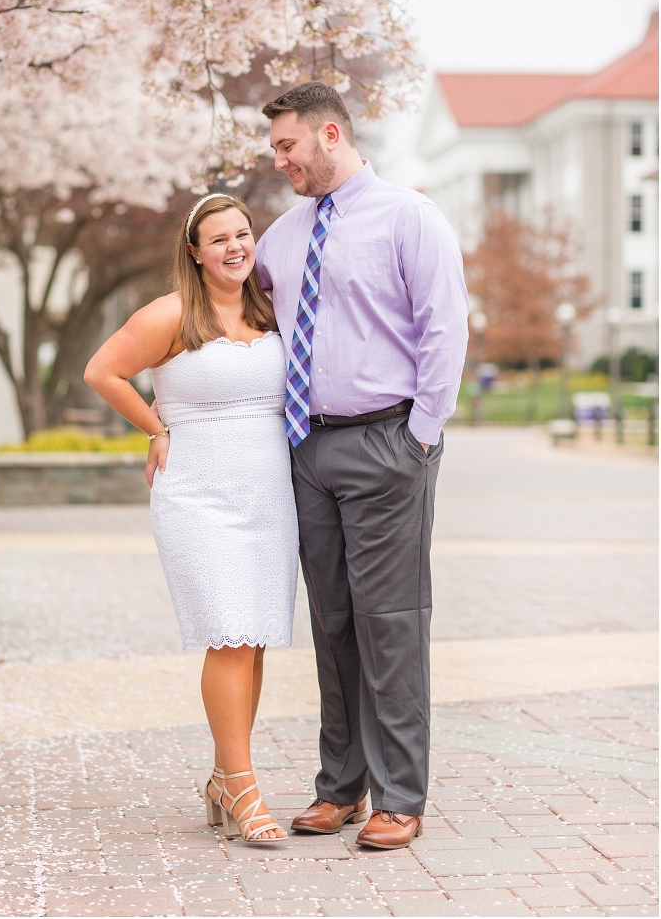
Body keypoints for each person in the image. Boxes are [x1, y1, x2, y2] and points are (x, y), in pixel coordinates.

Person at [256, 81, 469, 850]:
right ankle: (340, 787)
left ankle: (400, 794)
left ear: (331, 134)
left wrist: (421, 434)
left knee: (391, 622)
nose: (280, 160)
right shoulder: (281, 237)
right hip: (309, 447)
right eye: (275, 148)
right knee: (334, 621)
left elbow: (445, 324)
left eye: (288, 146)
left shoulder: (409, 217)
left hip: (388, 439)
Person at [84, 194, 299, 844]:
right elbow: (102, 369)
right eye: (219, 238)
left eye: (243, 233)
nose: (235, 246)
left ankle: (222, 775)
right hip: (199, 496)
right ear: (195, 251)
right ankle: (243, 787)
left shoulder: (271, 310)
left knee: (254, 638)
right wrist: (155, 426)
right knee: (229, 634)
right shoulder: (175, 313)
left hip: (269, 498)